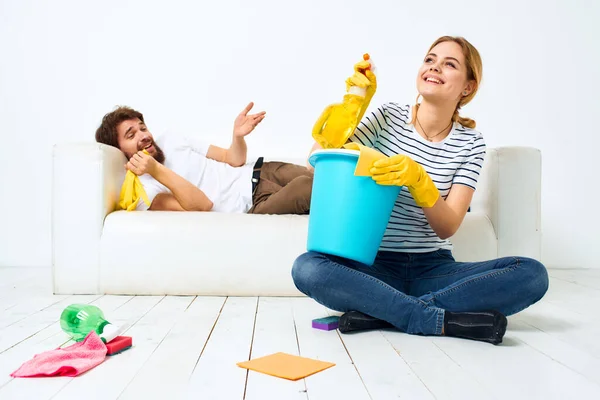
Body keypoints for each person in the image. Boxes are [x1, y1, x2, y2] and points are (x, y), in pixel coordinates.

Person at [292, 36, 549, 344]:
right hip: (372, 266)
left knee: (532, 273)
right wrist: (354, 103)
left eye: (449, 64)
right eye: (430, 59)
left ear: (468, 87)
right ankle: (426, 316)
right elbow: (313, 162)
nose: (434, 67)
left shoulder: (470, 143)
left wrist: (420, 181)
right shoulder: (388, 118)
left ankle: (384, 310)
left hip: (433, 270)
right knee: (307, 268)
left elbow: (447, 226)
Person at [94, 103, 313, 214]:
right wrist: (155, 169)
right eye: (131, 135)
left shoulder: (172, 138)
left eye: (143, 128)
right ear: (119, 150)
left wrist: (237, 136)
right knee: (311, 186)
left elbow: (232, 158)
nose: (144, 136)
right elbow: (202, 206)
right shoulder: (144, 192)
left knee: (325, 175)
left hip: (262, 169)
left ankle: (320, 156)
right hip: (255, 203)